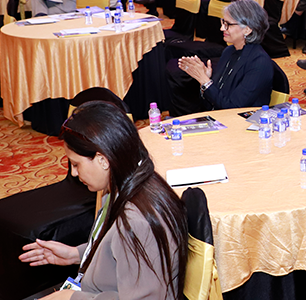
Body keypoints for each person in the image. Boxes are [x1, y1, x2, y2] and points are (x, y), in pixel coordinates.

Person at [18, 101, 187, 300]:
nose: (73, 173)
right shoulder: (128, 184)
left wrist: (70, 298)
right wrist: (76, 254)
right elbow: (122, 255)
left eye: (75, 164)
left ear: (102, 160)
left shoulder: (137, 222)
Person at [173, 0, 273, 112]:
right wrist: (206, 80)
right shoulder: (229, 51)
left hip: (241, 124)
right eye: (223, 23)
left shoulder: (259, 62)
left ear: (247, 29)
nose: (222, 28)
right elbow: (216, 100)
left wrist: (205, 81)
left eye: (228, 25)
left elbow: (233, 108)